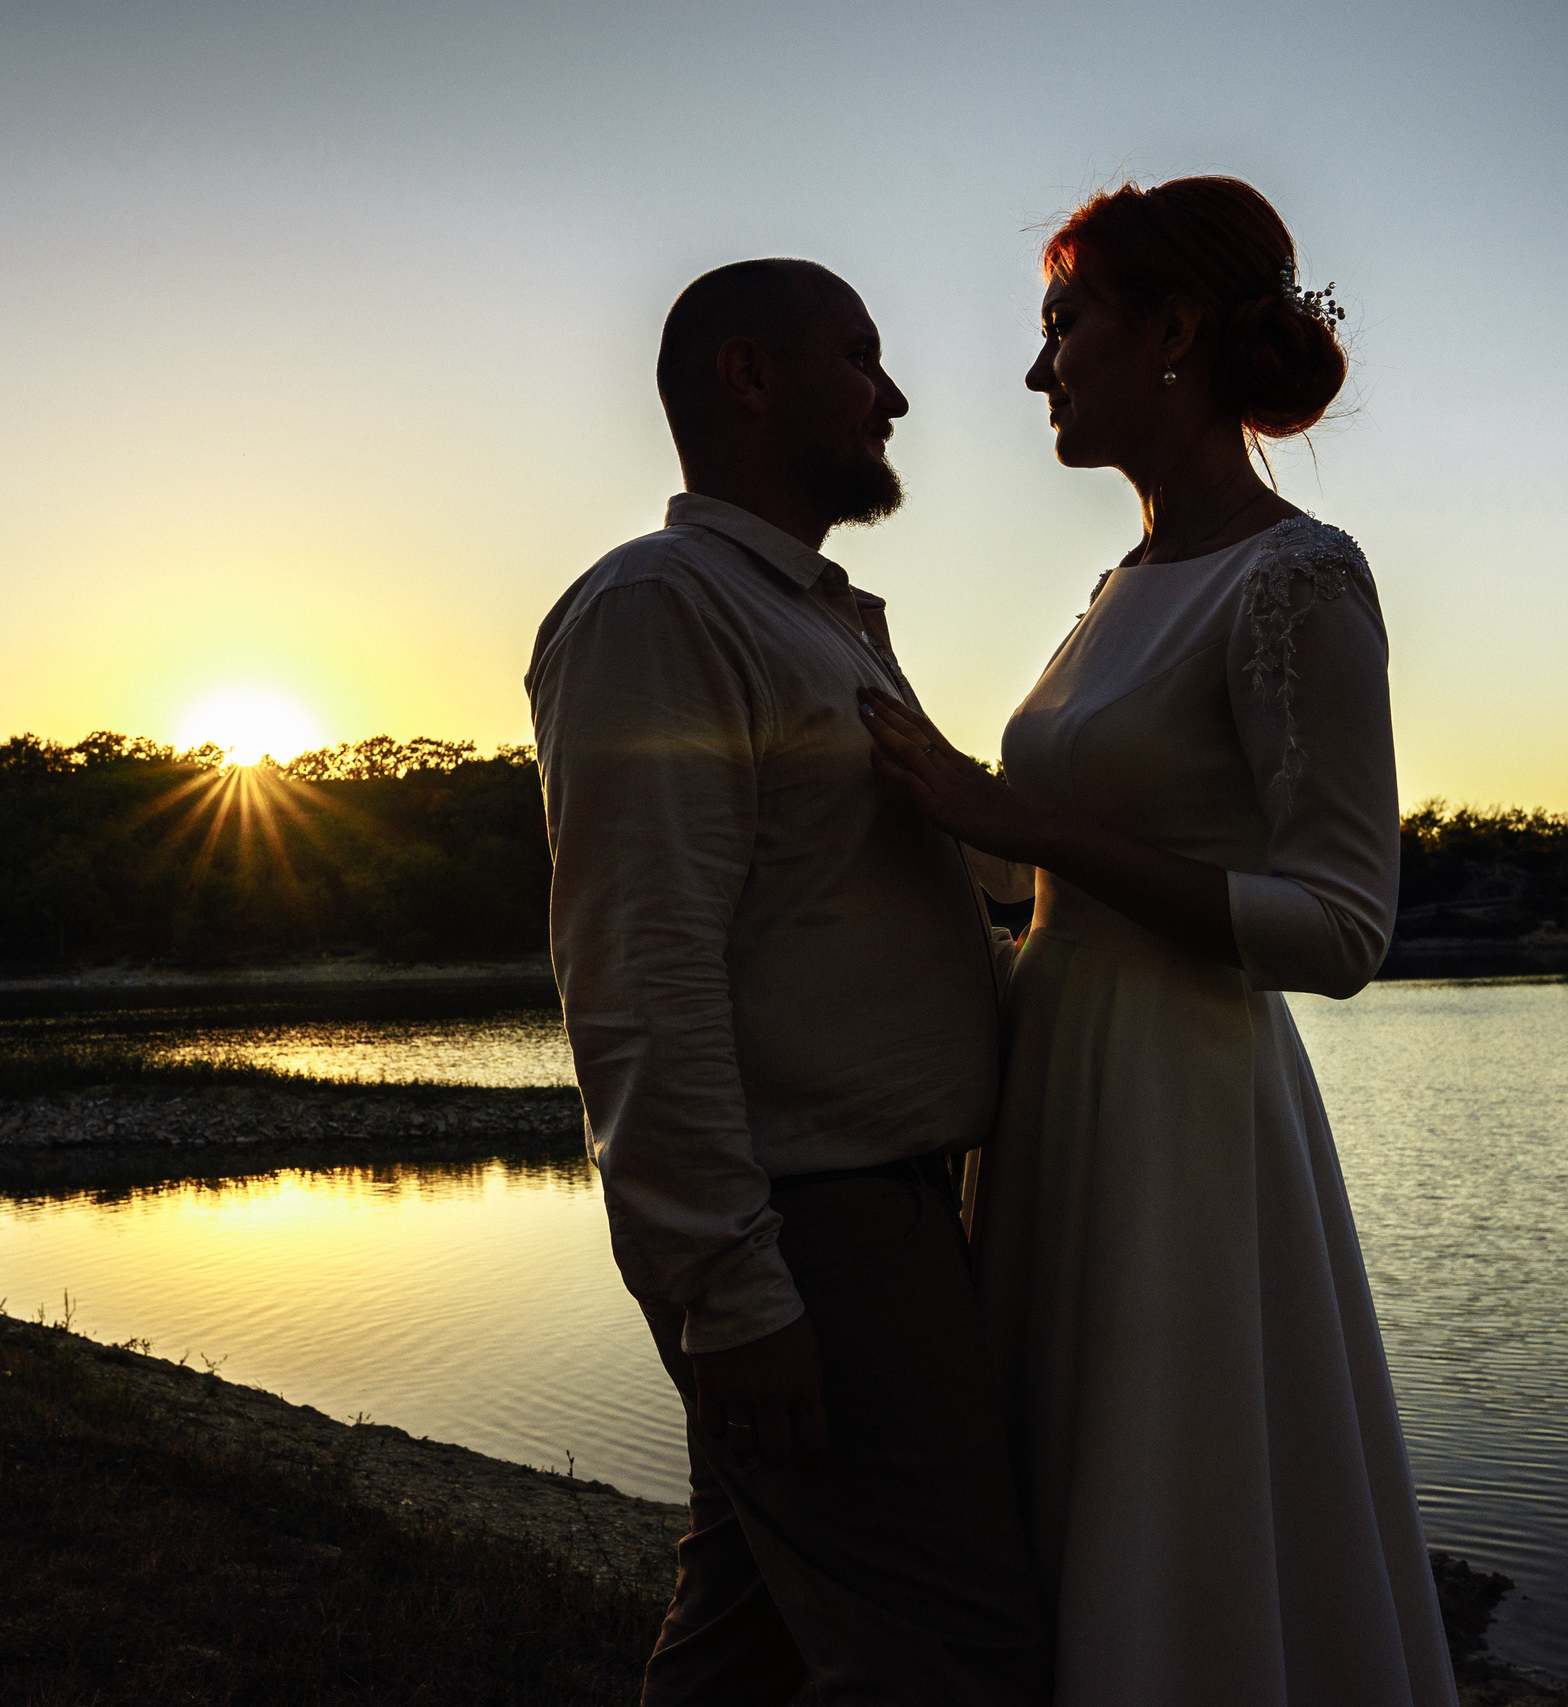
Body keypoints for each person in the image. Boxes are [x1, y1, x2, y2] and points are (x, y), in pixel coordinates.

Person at [858, 178, 1459, 1705]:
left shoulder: (1299, 579)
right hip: (1051, 1091)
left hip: (1185, 1117)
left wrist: (1032, 829)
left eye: (1065, 324)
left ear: (1176, 331)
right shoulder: (1122, 586)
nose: (1036, 368)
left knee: (1172, 1506)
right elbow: (1027, 855)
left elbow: (1341, 926)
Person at [527, 259, 1047, 1706]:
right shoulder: (656, 612)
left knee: (744, 1646)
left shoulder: (807, 615)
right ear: (747, 376)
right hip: (817, 1223)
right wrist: (735, 1285)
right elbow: (637, 967)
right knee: (961, 1659)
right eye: (861, 357)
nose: (893, 394)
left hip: (882, 1209)